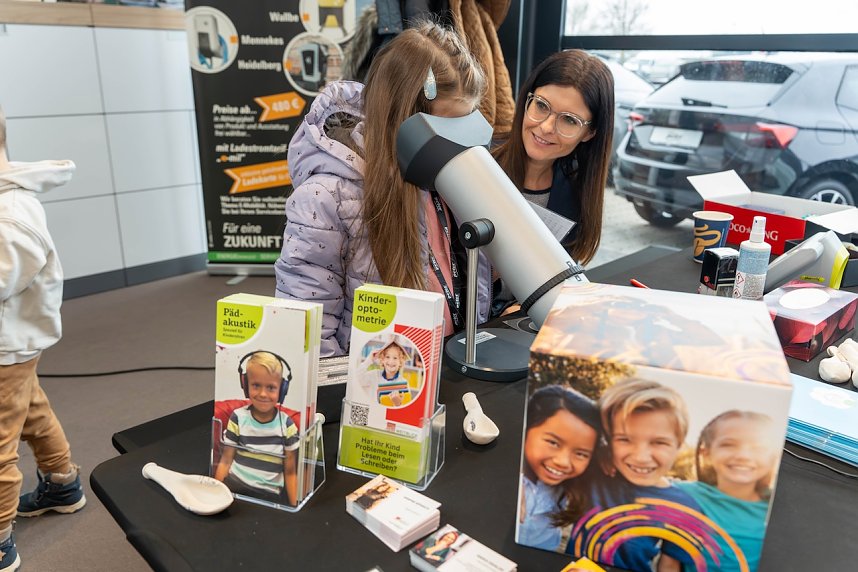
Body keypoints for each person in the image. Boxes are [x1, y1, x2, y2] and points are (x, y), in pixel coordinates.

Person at [275, 20, 492, 357]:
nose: (457, 142)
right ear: (404, 117)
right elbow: (308, 330)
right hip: (376, 375)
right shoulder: (326, 199)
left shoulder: (443, 172)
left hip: (448, 361)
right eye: (447, 126)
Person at [0, 105, 86, 572]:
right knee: (32, 411)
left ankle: (0, 542)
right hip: (13, 345)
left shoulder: (11, 216)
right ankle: (61, 484)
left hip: (6, 348)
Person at [492, 50, 615, 266]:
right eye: (541, 105)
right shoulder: (476, 161)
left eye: (569, 120)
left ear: (589, 133)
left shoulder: (578, 194)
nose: (546, 127)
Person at [571, 379, 702, 571]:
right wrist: (601, 452)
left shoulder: (684, 507)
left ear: (679, 445)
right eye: (624, 439)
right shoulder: (595, 469)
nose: (641, 457)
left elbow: (669, 566)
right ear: (608, 440)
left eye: (659, 442)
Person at [676, 411, 780, 572]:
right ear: (706, 453)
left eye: (758, 447)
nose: (743, 456)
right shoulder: (683, 494)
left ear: (773, 456)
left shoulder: (778, 509)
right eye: (728, 445)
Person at [518, 385, 601, 552]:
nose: (563, 462)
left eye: (581, 453)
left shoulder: (574, 484)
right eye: (553, 443)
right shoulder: (504, 473)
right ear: (526, 428)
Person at [214, 352, 298, 505]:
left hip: (269, 496)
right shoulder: (238, 417)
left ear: (282, 390)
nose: (263, 394)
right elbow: (225, 461)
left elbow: (291, 472)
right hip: (234, 486)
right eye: (256, 385)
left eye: (271, 387)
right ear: (246, 386)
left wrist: (294, 506)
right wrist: (214, 495)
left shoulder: (287, 425)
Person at [367, 340, 413, 407]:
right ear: (382, 359)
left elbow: (406, 408)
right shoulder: (374, 375)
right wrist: (369, 360)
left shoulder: (403, 383)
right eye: (387, 357)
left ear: (400, 362)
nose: (391, 361)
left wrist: (398, 404)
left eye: (395, 358)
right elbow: (356, 378)